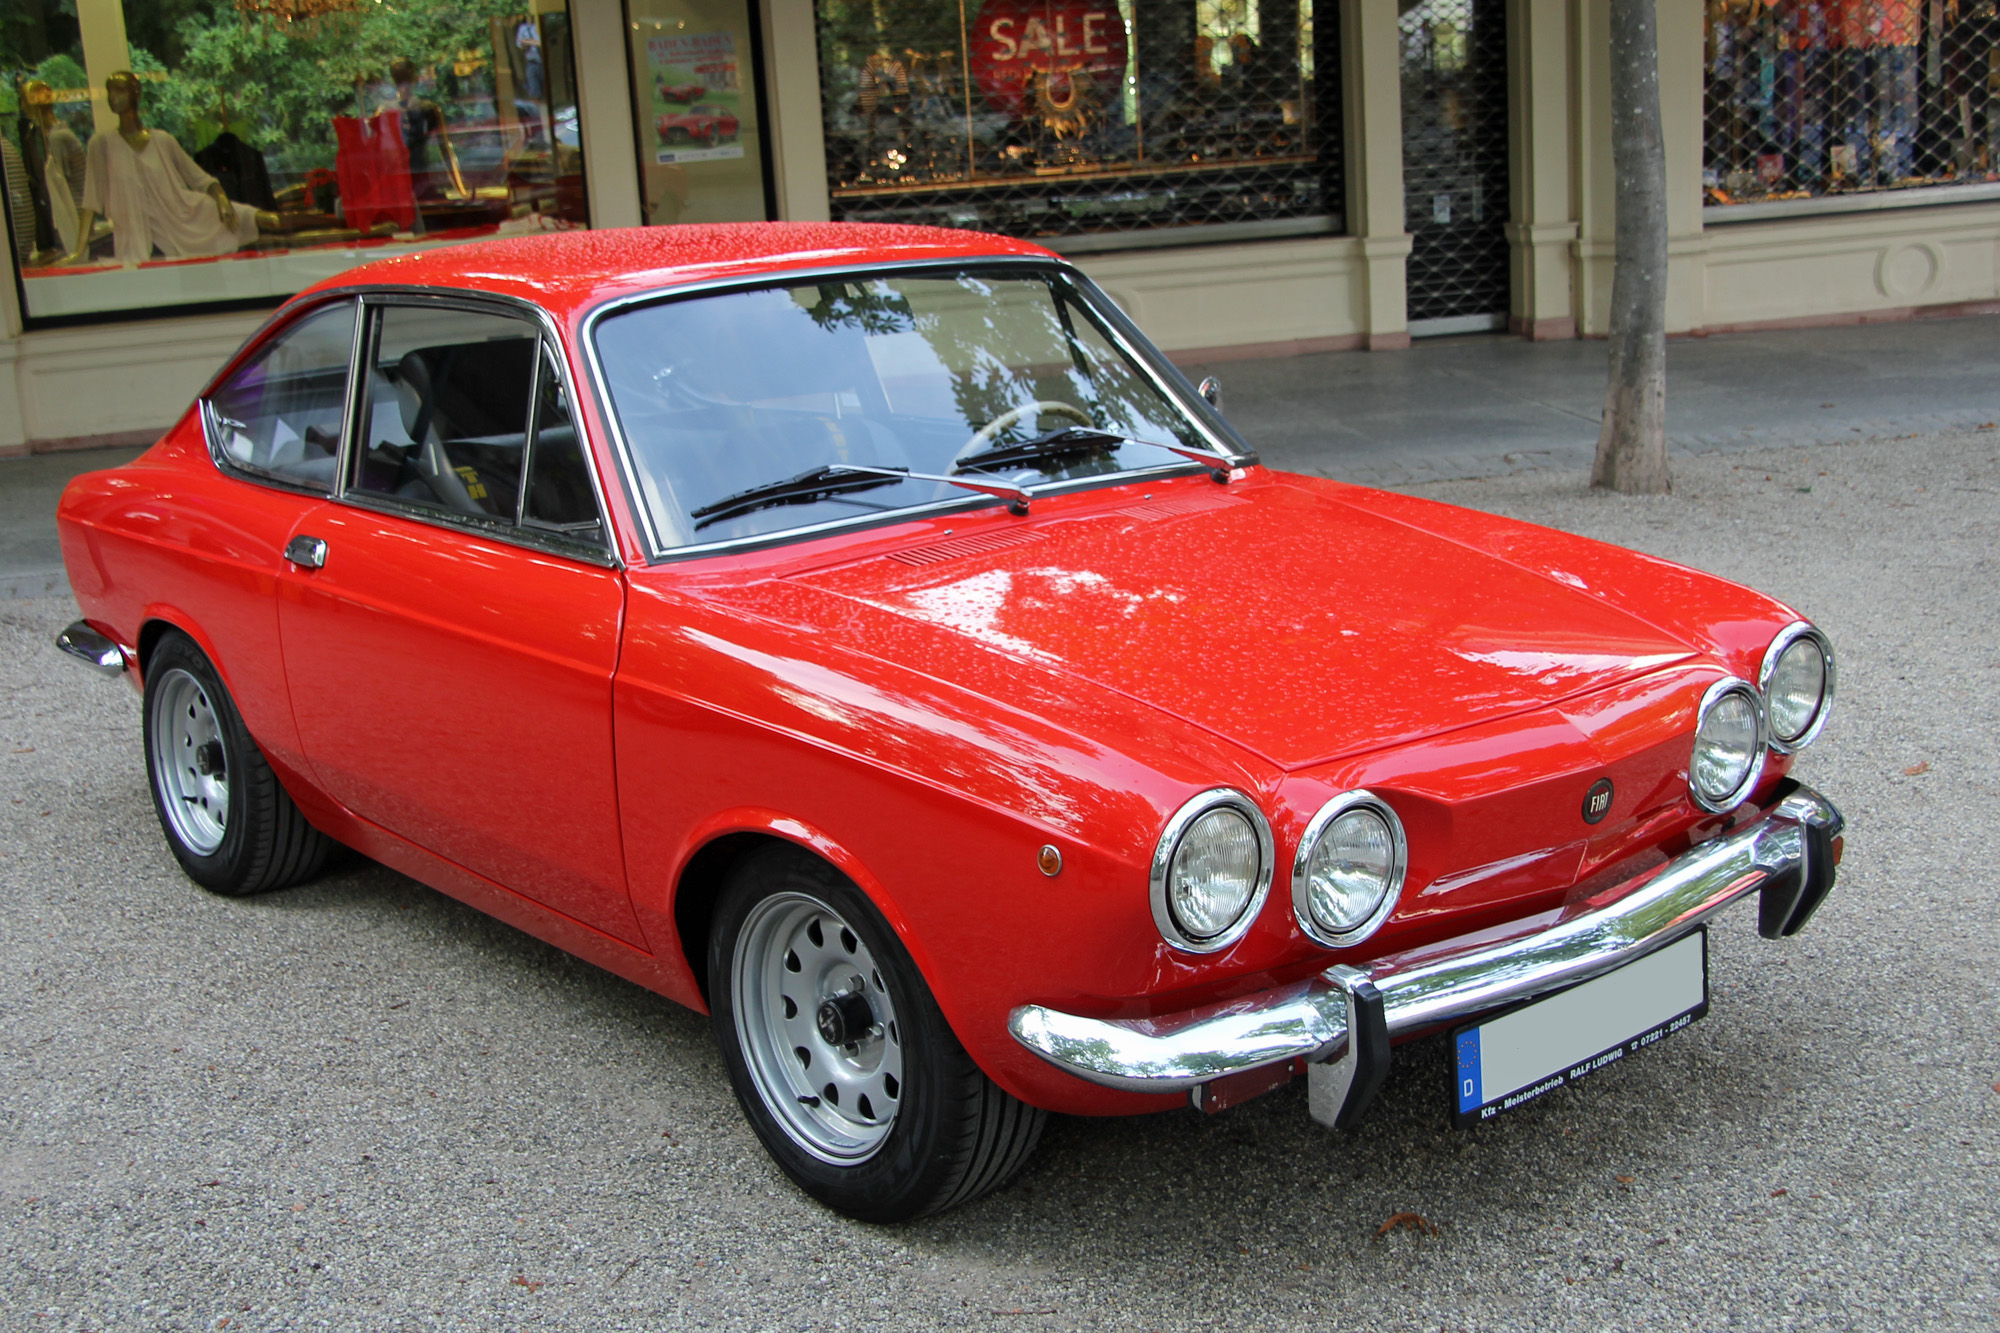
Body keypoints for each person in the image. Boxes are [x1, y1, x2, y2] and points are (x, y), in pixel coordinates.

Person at [66, 71, 272, 266]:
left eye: (120, 90)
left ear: (135, 93)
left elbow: (200, 179)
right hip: (139, 245)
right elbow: (90, 202)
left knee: (269, 222)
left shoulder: (163, 140)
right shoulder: (101, 144)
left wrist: (222, 199)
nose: (113, 97)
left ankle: (301, 228)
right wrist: (78, 251)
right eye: (110, 91)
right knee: (265, 228)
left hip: (189, 218)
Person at [516, 17, 545, 102]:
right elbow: (520, 44)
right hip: (532, 62)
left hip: (544, 62)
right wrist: (526, 44)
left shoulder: (538, 26)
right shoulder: (523, 28)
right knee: (534, 90)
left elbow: (540, 43)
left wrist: (528, 41)